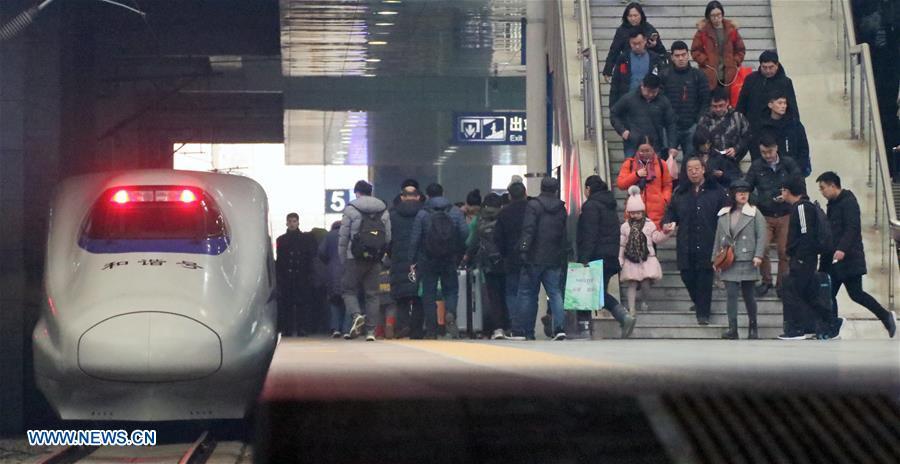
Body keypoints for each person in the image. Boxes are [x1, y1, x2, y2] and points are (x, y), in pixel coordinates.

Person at [816, 172, 896, 337]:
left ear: (832, 185)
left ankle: (885, 316)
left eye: (823, 188)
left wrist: (842, 249)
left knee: (856, 294)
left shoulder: (849, 202)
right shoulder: (832, 204)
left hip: (848, 258)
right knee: (829, 293)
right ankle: (832, 327)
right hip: (833, 259)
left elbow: (852, 228)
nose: (822, 192)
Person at [664, 157, 727, 325]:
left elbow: (725, 215)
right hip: (686, 241)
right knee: (687, 275)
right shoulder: (680, 192)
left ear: (703, 169)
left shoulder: (717, 191)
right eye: (689, 169)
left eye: (696, 168)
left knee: (705, 279)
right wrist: (669, 222)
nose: (693, 172)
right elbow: (671, 212)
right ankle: (699, 303)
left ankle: (703, 314)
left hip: (709, 241)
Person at [778, 176, 843, 340]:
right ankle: (832, 321)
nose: (781, 194)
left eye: (783, 190)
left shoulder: (801, 208)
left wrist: (799, 257)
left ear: (788, 191)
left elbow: (806, 234)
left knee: (794, 291)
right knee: (809, 294)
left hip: (803, 259)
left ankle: (796, 329)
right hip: (806, 258)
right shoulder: (802, 207)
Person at [577, 175, 636, 338]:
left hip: (596, 256)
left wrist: (584, 258)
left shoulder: (591, 206)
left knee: (592, 292)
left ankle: (622, 316)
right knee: (597, 292)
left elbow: (590, 233)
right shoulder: (609, 205)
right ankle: (622, 317)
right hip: (610, 256)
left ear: (588, 189)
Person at [744, 134, 802, 297]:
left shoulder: (788, 164)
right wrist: (759, 200)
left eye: (769, 152)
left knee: (785, 251)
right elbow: (746, 187)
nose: (767, 156)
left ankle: (782, 284)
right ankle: (766, 281)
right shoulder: (756, 166)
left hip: (785, 213)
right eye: (763, 152)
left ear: (776, 148)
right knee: (762, 249)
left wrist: (789, 196)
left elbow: (799, 183)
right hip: (765, 214)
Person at [409, 183, 470, 339]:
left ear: (427, 196)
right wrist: (457, 249)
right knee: (451, 289)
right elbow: (465, 233)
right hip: (449, 258)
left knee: (428, 293)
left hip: (427, 259)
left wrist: (412, 259)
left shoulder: (422, 214)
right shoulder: (455, 212)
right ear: (443, 193)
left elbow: (415, 238)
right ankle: (450, 313)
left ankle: (432, 329)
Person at [711, 179, 767, 339]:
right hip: (728, 259)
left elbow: (762, 235)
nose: (743, 195)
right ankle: (732, 328)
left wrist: (758, 255)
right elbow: (718, 237)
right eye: (739, 192)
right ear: (733, 194)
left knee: (749, 295)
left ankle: (753, 326)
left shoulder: (755, 212)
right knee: (731, 295)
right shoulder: (724, 214)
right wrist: (714, 258)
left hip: (748, 258)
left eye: (746, 192)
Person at [515, 177, 568, 341]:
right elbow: (564, 234)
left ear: (541, 187)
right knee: (555, 293)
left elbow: (528, 229)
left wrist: (523, 248)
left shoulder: (533, 205)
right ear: (556, 189)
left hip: (533, 257)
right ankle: (559, 328)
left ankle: (528, 331)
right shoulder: (561, 208)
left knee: (528, 294)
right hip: (554, 257)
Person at [339, 180, 391, 342]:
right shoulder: (383, 209)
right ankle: (370, 332)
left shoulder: (351, 208)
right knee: (372, 294)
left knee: (348, 290)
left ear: (357, 192)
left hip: (354, 257)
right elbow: (387, 237)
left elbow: (343, 237)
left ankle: (356, 315)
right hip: (375, 258)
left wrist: (343, 258)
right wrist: (381, 255)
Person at [619, 186, 672, 315]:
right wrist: (620, 257)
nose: (635, 215)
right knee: (631, 283)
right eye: (632, 213)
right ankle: (631, 308)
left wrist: (666, 233)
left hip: (646, 257)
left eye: (638, 212)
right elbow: (622, 244)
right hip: (631, 258)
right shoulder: (625, 227)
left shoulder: (649, 224)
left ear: (642, 211)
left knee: (645, 283)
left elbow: (656, 238)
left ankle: (644, 300)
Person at [464, 193, 508, 340]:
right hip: (505, 262)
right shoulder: (505, 216)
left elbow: (472, 241)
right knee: (507, 294)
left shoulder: (479, 219)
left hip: (488, 263)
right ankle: (510, 326)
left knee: (493, 297)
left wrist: (467, 257)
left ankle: (497, 328)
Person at [736, 50, 800, 144]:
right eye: (764, 67)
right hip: (755, 130)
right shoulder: (751, 80)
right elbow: (741, 104)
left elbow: (792, 107)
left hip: (777, 131)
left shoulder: (785, 82)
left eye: (771, 67)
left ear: (777, 65)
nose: (768, 71)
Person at [660, 40, 711, 158]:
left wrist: (698, 121)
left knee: (692, 160)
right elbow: (660, 101)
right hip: (670, 126)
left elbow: (705, 100)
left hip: (692, 125)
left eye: (683, 55)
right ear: (672, 57)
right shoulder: (664, 75)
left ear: (688, 55)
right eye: (677, 56)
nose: (681, 58)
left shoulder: (698, 75)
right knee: (665, 160)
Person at [611, 74, 678, 158]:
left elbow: (671, 123)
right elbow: (614, 114)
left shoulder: (663, 101)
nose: (650, 95)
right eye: (648, 91)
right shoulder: (629, 98)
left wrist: (672, 146)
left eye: (654, 92)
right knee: (632, 170)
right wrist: (622, 130)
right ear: (642, 86)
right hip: (632, 143)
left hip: (656, 146)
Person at [389, 182, 425, 339]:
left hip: (398, 259)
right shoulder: (424, 214)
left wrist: (391, 254)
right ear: (418, 197)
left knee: (401, 297)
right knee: (418, 296)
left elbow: (387, 239)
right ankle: (416, 331)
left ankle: (403, 325)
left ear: (402, 197)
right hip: (420, 259)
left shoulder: (392, 215)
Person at [616, 135, 674, 229]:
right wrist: (636, 175)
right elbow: (621, 184)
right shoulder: (629, 164)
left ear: (653, 149)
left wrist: (664, 200)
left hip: (656, 213)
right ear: (637, 150)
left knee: (653, 242)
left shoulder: (661, 164)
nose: (644, 153)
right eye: (641, 151)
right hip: (634, 212)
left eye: (648, 150)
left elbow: (667, 185)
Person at [276, 212, 318, 337]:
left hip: (301, 275)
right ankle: (288, 328)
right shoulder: (282, 239)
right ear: (286, 223)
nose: (292, 224)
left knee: (301, 304)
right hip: (288, 276)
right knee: (287, 304)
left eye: (294, 221)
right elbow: (280, 259)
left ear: (298, 222)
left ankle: (301, 328)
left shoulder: (304, 239)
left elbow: (309, 257)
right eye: (290, 221)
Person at [494, 181, 528, 335]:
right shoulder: (531, 210)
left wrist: (504, 254)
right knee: (528, 292)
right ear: (525, 193)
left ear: (509, 196)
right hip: (529, 257)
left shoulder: (504, 213)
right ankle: (528, 327)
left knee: (512, 293)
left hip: (511, 258)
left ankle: (516, 326)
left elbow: (498, 238)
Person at [602, 2, 666, 81]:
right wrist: (608, 70)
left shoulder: (649, 29)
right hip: (628, 66)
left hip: (648, 67)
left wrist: (655, 45)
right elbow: (614, 51)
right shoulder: (622, 31)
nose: (633, 19)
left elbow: (662, 51)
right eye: (630, 16)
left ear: (641, 15)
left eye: (635, 15)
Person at [691, 1, 746, 91]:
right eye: (713, 15)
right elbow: (695, 50)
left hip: (729, 73)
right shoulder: (703, 31)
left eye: (719, 14)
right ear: (708, 16)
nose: (716, 18)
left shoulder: (731, 30)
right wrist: (705, 62)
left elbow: (741, 50)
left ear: (722, 14)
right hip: (709, 73)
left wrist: (735, 61)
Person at [696, 87, 751, 176]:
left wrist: (736, 149)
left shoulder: (738, 117)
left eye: (721, 105)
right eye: (715, 106)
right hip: (711, 163)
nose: (718, 109)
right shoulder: (704, 119)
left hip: (732, 162)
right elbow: (699, 141)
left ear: (727, 103)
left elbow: (747, 137)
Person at [757, 91, 811, 174]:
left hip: (794, 171)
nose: (783, 106)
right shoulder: (763, 126)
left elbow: (803, 147)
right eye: (780, 103)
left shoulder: (794, 124)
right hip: (771, 172)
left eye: (785, 103)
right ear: (770, 105)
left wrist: (799, 169)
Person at [609, 30, 664, 108]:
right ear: (629, 42)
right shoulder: (624, 58)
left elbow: (661, 81)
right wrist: (612, 106)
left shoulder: (654, 59)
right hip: (627, 103)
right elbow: (615, 82)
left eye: (639, 43)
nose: (637, 46)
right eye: (634, 44)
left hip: (649, 103)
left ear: (645, 40)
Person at [317, 221, 345, 338]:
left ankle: (335, 328)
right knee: (348, 300)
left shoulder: (328, 236)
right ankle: (347, 328)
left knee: (334, 301)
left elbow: (321, 252)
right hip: (348, 269)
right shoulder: (348, 234)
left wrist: (328, 262)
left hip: (332, 271)